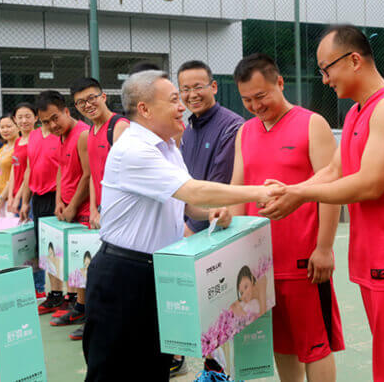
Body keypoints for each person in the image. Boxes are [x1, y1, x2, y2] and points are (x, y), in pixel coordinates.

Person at [261, 25, 384, 382]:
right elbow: (333, 170)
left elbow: (370, 184)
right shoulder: (357, 112)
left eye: (326, 69)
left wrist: (300, 195)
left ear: (354, 60)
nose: (325, 80)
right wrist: (291, 190)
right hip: (373, 263)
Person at [82, 70, 272, 382]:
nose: (182, 105)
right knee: (113, 370)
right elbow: (193, 190)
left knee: (154, 367)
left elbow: (185, 202)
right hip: (123, 275)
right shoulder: (134, 150)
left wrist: (211, 213)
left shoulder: (168, 146)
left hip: (158, 272)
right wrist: (259, 192)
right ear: (145, 109)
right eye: (173, 100)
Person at [220, 53, 344, 382]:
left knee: (315, 345)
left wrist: (324, 248)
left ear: (279, 82)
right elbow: (238, 188)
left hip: (304, 261)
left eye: (261, 96)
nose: (255, 105)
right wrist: (229, 238)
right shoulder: (245, 132)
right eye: (247, 100)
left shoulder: (312, 124)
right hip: (258, 265)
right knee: (282, 343)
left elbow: (331, 188)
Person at [61, 77, 129, 341]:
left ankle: (111, 327)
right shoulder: (89, 133)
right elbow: (91, 175)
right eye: (81, 102)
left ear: (103, 97)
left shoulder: (120, 127)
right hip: (102, 215)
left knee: (113, 275)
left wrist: (109, 211)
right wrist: (94, 210)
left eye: (91, 98)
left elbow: (124, 176)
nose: (87, 105)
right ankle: (98, 322)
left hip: (121, 216)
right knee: (96, 271)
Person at [34, 91, 90, 319]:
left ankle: (83, 309)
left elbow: (88, 175)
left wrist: (73, 206)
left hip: (83, 210)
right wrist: (59, 201)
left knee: (83, 263)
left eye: (55, 118)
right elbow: (61, 170)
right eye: (45, 122)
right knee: (72, 262)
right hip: (66, 207)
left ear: (67, 111)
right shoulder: (60, 137)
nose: (51, 125)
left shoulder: (83, 134)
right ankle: (76, 304)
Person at [178, 60, 244, 235]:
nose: (192, 95)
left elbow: (220, 185)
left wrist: (188, 230)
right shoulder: (188, 131)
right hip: (189, 224)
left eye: (198, 87)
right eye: (185, 89)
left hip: (216, 229)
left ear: (213, 87)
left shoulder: (232, 127)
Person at [20, 101, 61, 301]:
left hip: (57, 197)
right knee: (44, 249)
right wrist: (25, 201)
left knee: (58, 249)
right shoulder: (34, 136)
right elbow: (29, 168)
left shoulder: (60, 134)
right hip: (38, 199)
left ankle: (67, 296)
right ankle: (54, 294)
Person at [5, 103, 38, 215]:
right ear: (15, 119)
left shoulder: (37, 139)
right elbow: (14, 169)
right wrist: (10, 196)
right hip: (16, 196)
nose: (24, 121)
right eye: (20, 117)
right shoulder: (18, 141)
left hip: (29, 196)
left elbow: (31, 171)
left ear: (36, 118)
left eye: (28, 117)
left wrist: (18, 197)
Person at [0, 115, 19, 216]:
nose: (5, 130)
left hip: (10, 200)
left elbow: (16, 176)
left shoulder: (19, 148)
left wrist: (2, 197)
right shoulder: (2, 149)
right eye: (2, 127)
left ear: (18, 127)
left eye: (9, 126)